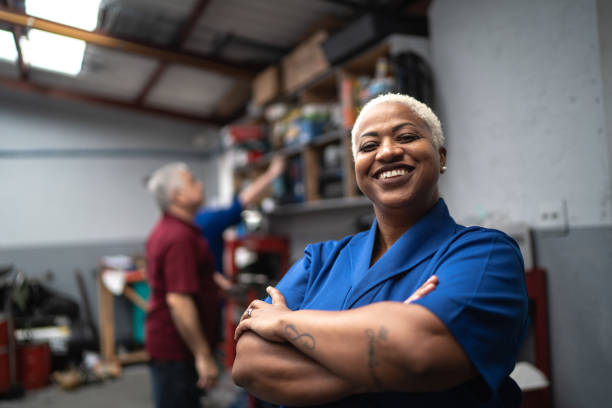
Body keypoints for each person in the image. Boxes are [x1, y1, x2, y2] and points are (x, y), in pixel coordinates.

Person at [232, 93, 530, 407]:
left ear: (441, 156)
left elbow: (419, 353)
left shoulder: (485, 255)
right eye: (369, 145)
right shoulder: (319, 260)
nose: (387, 152)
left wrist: (284, 324)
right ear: (358, 167)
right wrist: (387, 356)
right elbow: (250, 364)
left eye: (407, 137)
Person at [145, 163, 220, 408]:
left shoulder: (176, 229)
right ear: (176, 195)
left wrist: (214, 282)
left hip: (175, 346)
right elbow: (178, 300)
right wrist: (203, 355)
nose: (200, 184)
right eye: (192, 181)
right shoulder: (179, 237)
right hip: (177, 350)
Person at [194, 154, 286, 281]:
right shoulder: (206, 220)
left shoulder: (194, 222)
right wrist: (272, 173)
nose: (200, 185)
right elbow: (242, 202)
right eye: (192, 182)